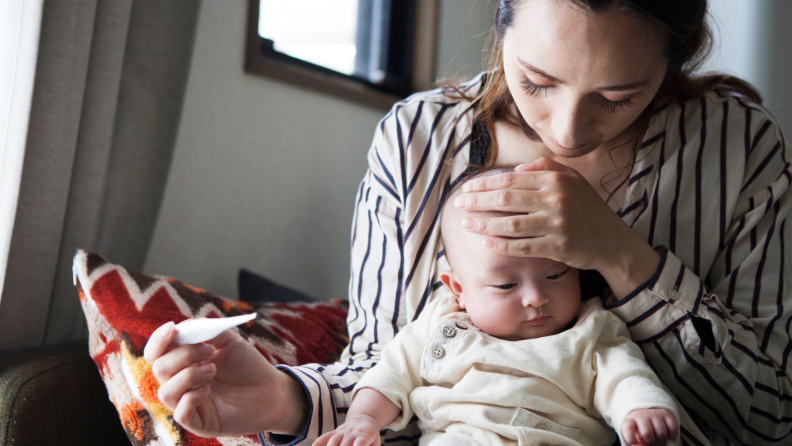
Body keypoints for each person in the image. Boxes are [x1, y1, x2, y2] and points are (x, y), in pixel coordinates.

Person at [143, 1, 791, 445]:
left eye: (620, 97)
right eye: (537, 81)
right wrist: (280, 401)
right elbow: (388, 372)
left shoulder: (740, 152)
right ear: (501, 23)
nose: (566, 131)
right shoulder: (417, 142)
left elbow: (770, 421)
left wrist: (624, 257)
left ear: (676, 60)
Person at [312, 169, 680, 446]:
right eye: (506, 285)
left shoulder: (592, 328)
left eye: (556, 274)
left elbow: (625, 375)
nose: (536, 297)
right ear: (458, 289)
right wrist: (362, 420)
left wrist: (641, 410)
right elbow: (391, 372)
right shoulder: (441, 322)